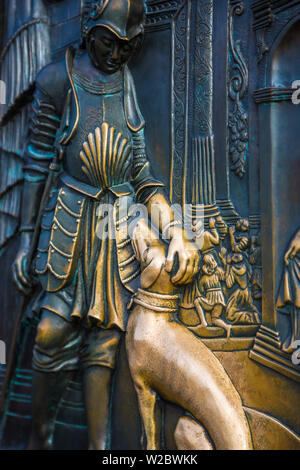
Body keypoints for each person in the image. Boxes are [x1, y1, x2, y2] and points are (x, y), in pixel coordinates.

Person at [12, 0, 199, 450]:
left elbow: (142, 173)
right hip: (69, 219)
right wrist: (22, 240)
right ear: (89, 30)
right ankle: (39, 435)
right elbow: (36, 164)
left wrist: (174, 230)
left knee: (105, 343)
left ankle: (101, 448)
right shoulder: (58, 79)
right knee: (49, 331)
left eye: (126, 48)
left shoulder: (126, 84)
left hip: (115, 225)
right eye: (108, 43)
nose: (115, 56)